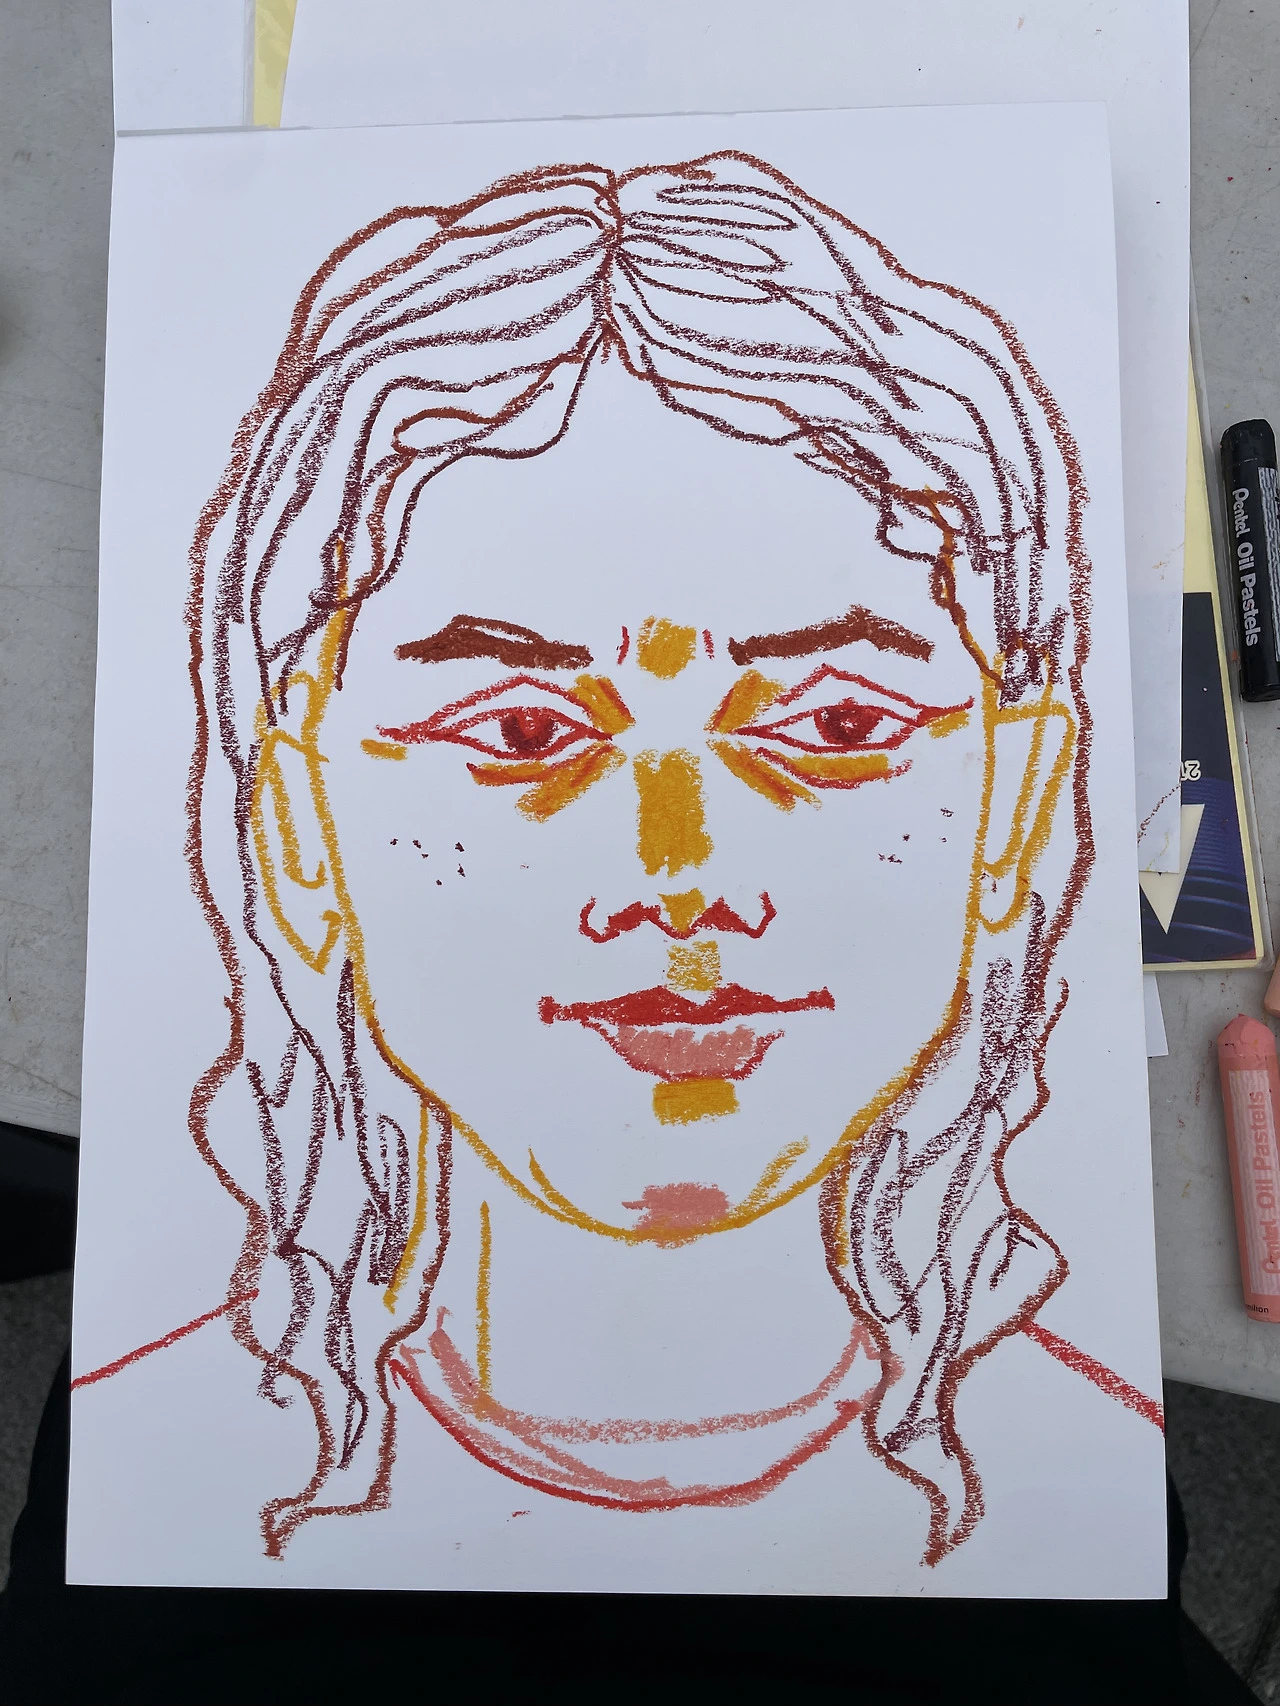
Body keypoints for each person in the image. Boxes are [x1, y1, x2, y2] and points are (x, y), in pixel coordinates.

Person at [179, 150, 1110, 1572]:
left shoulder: (1083, 1485)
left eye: (838, 725)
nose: (681, 874)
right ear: (296, 825)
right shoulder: (171, 1479)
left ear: (1019, 811)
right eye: (522, 730)